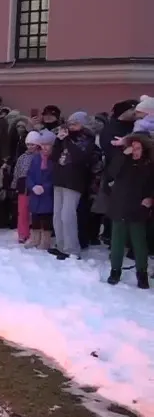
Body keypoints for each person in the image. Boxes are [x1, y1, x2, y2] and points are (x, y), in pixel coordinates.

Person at [105, 134, 154, 288]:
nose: (135, 152)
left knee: (139, 244)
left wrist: (150, 198)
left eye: (138, 149)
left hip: (138, 208)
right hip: (120, 206)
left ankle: (142, 274)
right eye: (132, 148)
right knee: (117, 243)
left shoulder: (148, 164)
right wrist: (122, 155)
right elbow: (110, 173)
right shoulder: (122, 162)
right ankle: (115, 271)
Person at [50, 111, 97, 259]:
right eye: (70, 123)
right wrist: (58, 140)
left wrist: (67, 140)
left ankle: (72, 248)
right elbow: (53, 157)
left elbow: (79, 158)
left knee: (67, 215)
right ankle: (60, 244)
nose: (71, 126)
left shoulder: (87, 138)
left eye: (75, 123)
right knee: (57, 215)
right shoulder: (66, 138)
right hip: (59, 179)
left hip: (74, 181)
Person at [26, 130, 57, 252]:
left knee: (46, 218)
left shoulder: (54, 161)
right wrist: (32, 186)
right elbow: (29, 175)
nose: (44, 147)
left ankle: (45, 241)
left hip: (47, 195)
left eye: (47, 144)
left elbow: (55, 178)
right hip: (35, 194)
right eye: (42, 144)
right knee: (35, 217)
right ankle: (34, 239)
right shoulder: (35, 159)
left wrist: (45, 187)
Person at [13, 131, 40, 245]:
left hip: (35, 186)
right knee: (22, 211)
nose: (30, 147)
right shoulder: (22, 157)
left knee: (35, 212)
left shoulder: (40, 157)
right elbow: (17, 171)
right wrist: (14, 184)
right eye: (28, 144)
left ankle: (35, 234)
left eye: (32, 144)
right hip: (23, 186)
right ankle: (23, 233)